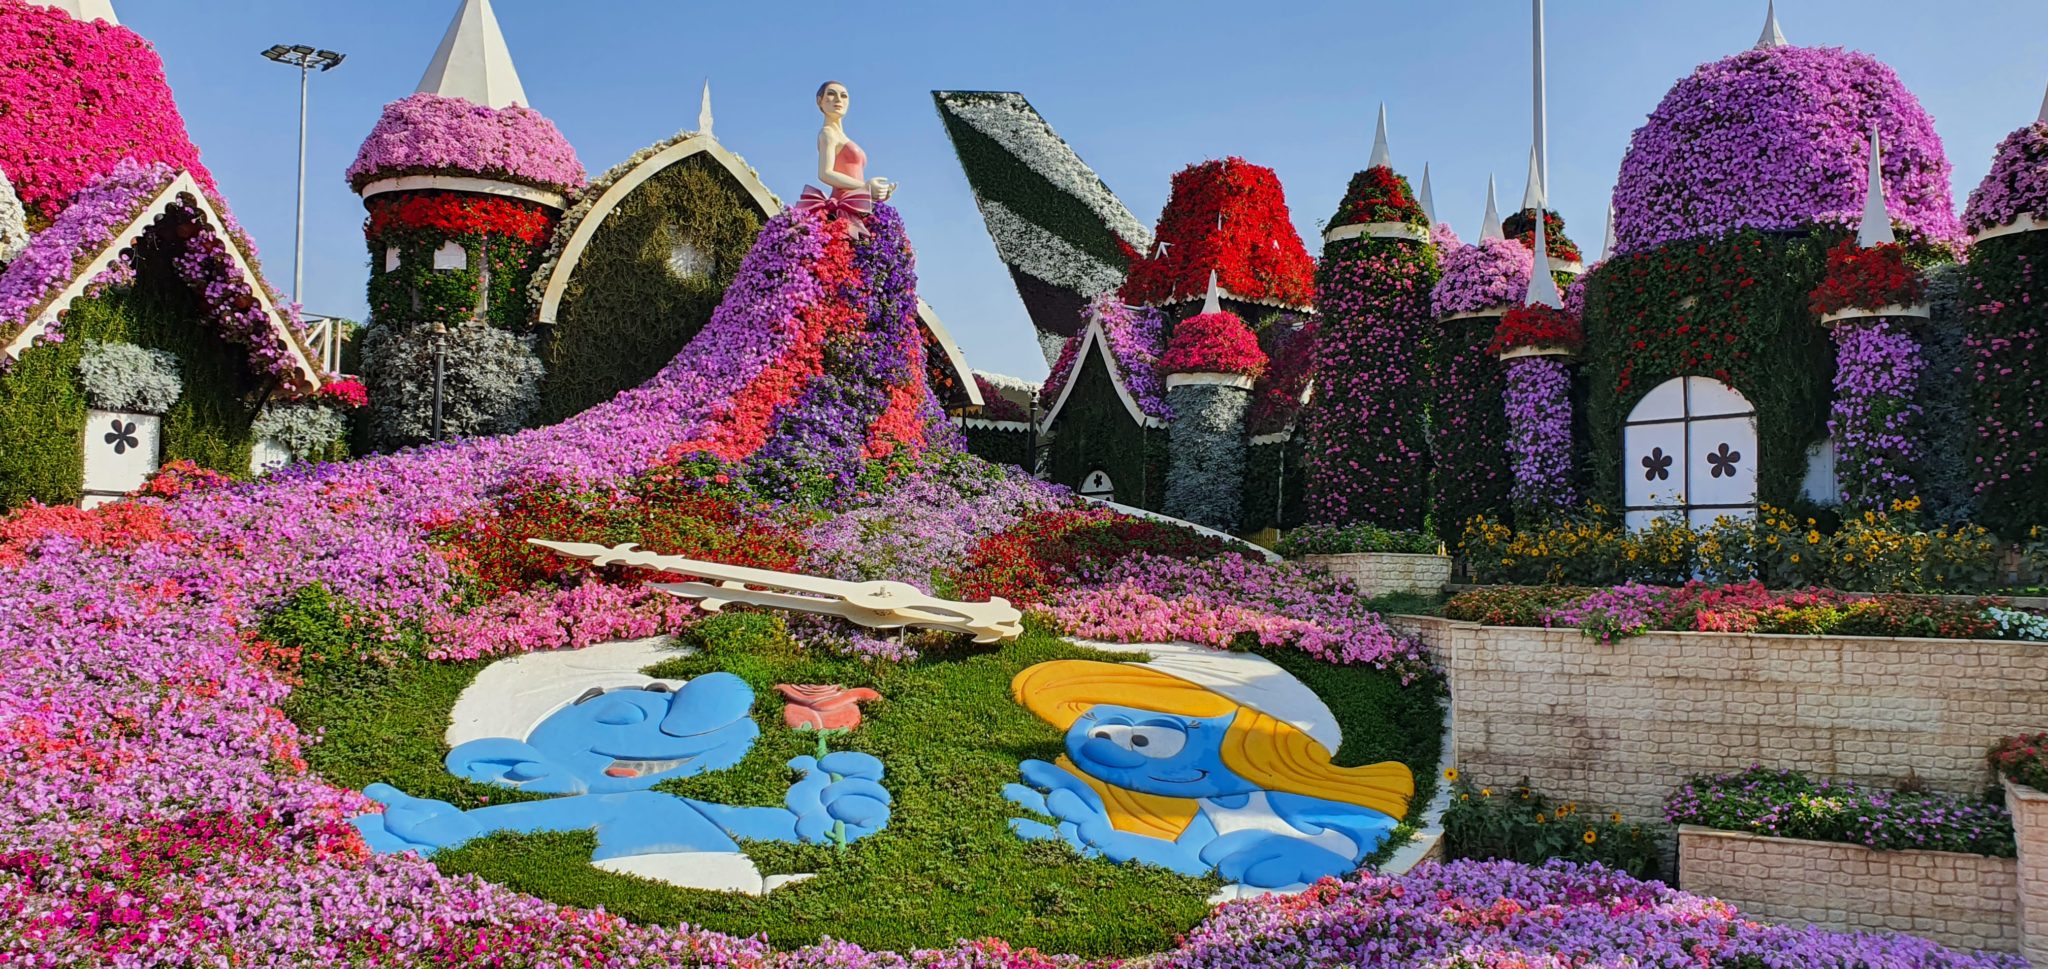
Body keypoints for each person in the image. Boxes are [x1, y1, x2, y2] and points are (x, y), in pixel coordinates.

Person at [1005, 659, 1412, 890]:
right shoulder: (1201, 813)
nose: (1109, 748)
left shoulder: (1294, 797)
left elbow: (1356, 830)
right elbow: (1184, 855)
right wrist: (1100, 837)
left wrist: (1325, 856)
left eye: (1150, 739)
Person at [814, 80, 895, 204]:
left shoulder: (842, 137)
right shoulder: (828, 133)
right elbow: (825, 173)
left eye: (844, 96)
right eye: (831, 94)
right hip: (843, 203)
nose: (838, 99)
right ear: (820, 101)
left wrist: (877, 192)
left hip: (857, 201)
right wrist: (865, 187)